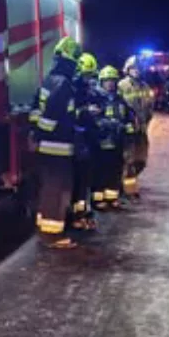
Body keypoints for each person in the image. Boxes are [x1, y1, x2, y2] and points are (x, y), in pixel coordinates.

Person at [31, 36, 82, 248]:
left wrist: (36, 134)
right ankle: (52, 236)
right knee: (58, 190)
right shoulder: (64, 86)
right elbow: (52, 116)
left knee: (48, 190)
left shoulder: (49, 80)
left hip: (47, 147)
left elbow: (36, 110)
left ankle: (44, 229)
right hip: (58, 147)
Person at [93, 66, 135, 209]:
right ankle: (99, 201)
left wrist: (129, 128)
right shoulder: (96, 98)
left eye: (112, 81)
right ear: (101, 82)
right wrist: (110, 125)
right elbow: (93, 120)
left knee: (115, 171)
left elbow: (128, 116)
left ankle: (112, 199)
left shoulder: (119, 99)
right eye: (107, 81)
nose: (110, 84)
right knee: (100, 172)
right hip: (101, 143)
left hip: (117, 143)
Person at [70, 53, 101, 230]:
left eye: (91, 75)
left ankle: (84, 212)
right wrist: (85, 111)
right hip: (78, 142)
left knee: (86, 181)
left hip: (88, 141)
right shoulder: (73, 90)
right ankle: (77, 215)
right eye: (86, 75)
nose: (89, 78)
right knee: (79, 182)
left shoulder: (89, 90)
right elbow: (70, 114)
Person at [118, 56, 152, 198]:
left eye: (139, 68)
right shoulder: (122, 85)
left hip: (141, 130)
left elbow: (150, 106)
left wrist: (146, 120)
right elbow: (118, 105)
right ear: (128, 69)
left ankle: (125, 184)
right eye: (134, 68)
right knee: (129, 160)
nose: (137, 71)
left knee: (142, 160)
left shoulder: (145, 86)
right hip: (128, 131)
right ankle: (129, 190)